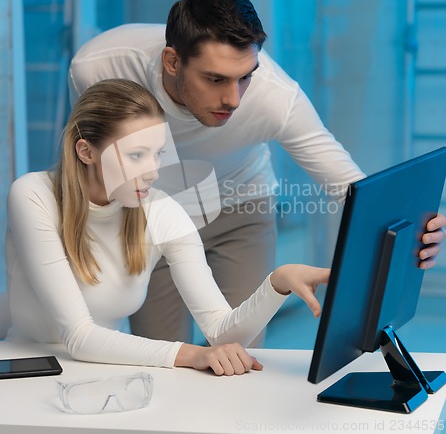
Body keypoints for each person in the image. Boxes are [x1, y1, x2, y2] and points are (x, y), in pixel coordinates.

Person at [68, 0, 446, 346]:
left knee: (242, 353)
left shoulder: (274, 98)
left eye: (244, 77)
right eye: (214, 78)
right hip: (154, 215)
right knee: (164, 356)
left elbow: (347, 186)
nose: (232, 99)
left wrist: (411, 234)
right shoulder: (99, 68)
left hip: (241, 207)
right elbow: (95, 162)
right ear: (172, 61)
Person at [6, 79, 330, 375]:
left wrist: (277, 284)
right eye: (136, 156)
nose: (153, 172)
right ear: (86, 151)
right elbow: (79, 336)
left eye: (158, 154)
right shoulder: (34, 196)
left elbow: (220, 331)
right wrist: (192, 355)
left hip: (103, 372)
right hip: (29, 374)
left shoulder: (161, 211)